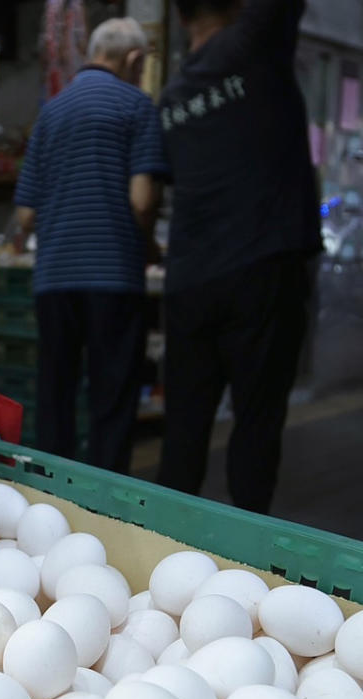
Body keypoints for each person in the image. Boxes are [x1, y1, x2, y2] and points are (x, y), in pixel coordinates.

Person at [156, 0, 322, 514]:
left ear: (181, 19)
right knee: (255, 422)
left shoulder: (171, 97)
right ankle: (247, 562)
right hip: (260, 268)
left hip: (188, 280)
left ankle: (164, 549)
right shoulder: (252, 44)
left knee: (184, 428)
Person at [14, 18, 169, 474]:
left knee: (56, 393)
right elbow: (142, 199)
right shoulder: (137, 106)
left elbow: (25, 214)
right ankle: (104, 503)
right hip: (114, 276)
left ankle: (52, 494)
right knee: (112, 397)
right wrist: (148, 245)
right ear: (135, 60)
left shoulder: (52, 112)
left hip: (55, 277)